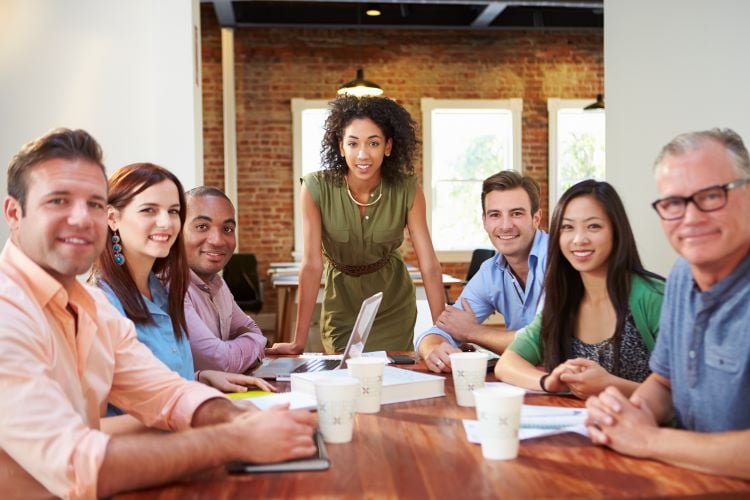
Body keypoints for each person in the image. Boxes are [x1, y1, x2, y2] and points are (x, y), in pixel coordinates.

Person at [0, 128, 316, 499]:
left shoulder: (89, 304)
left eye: (95, 204)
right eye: (58, 201)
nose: (82, 219)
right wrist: (234, 439)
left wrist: (245, 418)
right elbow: (76, 464)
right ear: (14, 213)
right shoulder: (10, 314)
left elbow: (165, 391)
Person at [586, 128, 750, 478]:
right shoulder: (680, 275)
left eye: (711, 196)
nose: (691, 218)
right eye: (674, 203)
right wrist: (627, 413)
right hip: (689, 478)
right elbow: (664, 382)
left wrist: (648, 440)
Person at [267, 95, 444, 354]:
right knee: (345, 377)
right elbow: (312, 264)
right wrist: (299, 342)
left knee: (393, 381)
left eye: (373, 143)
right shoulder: (316, 188)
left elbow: (429, 264)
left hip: (392, 304)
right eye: (353, 143)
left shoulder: (408, 189)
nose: (363, 154)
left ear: (388, 146)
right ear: (341, 147)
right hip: (342, 304)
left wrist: (442, 334)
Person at [90, 163, 270, 397]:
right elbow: (94, 418)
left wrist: (199, 378)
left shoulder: (161, 292)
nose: (165, 223)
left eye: (173, 211)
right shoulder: (100, 304)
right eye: (149, 210)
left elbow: (159, 379)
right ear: (112, 218)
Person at [495, 180, 664, 399]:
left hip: (646, 429)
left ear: (616, 230)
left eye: (593, 226)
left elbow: (682, 397)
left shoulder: (653, 297)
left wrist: (608, 386)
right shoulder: (563, 299)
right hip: (581, 427)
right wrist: (549, 382)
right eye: (567, 227)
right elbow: (507, 364)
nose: (578, 239)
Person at [415, 170, 549, 373]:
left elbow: (545, 343)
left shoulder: (558, 260)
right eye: (495, 215)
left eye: (516, 213)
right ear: (485, 221)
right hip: (525, 378)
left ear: (536, 218)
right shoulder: (491, 272)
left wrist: (472, 332)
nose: (505, 226)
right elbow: (444, 328)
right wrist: (433, 349)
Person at [183, 186, 267, 373]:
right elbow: (217, 361)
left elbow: (252, 329)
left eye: (227, 229)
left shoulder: (218, 284)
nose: (218, 240)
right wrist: (254, 344)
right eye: (202, 227)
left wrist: (244, 344)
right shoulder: (172, 286)